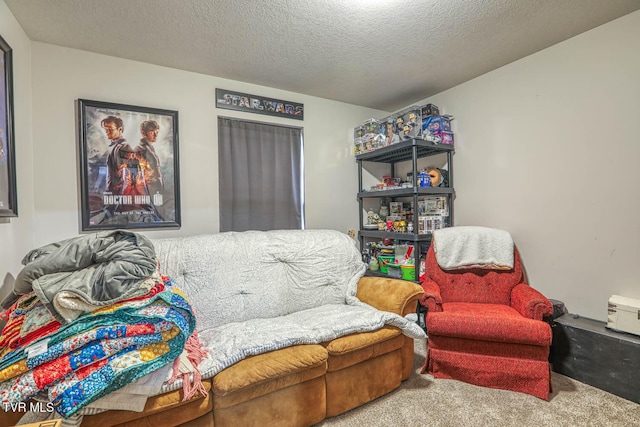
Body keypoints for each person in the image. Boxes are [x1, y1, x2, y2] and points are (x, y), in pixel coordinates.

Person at [101, 115, 136, 195]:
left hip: (119, 194)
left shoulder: (123, 147)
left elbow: (127, 175)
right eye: (106, 129)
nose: (107, 132)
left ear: (119, 129)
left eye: (110, 129)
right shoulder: (115, 146)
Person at [134, 120, 163, 197]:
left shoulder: (149, 147)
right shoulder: (141, 149)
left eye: (156, 132)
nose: (155, 135)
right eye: (151, 132)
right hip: (147, 187)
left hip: (152, 187)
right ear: (143, 133)